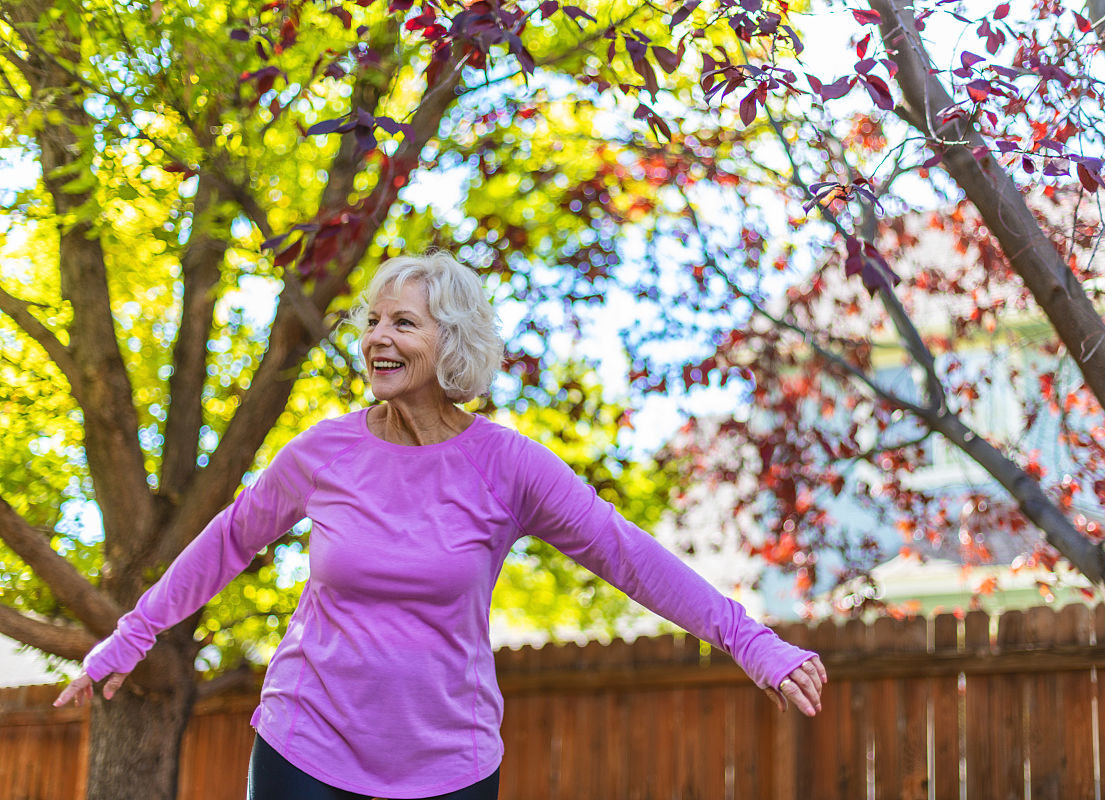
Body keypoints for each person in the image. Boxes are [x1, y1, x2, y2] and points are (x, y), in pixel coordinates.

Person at [54, 251, 827, 800]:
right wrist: (133, 634)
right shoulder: (325, 452)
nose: (377, 338)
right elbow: (230, 540)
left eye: (404, 323)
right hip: (306, 743)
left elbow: (626, 554)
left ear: (450, 343)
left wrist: (750, 640)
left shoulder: (509, 467)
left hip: (449, 762)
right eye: (372, 321)